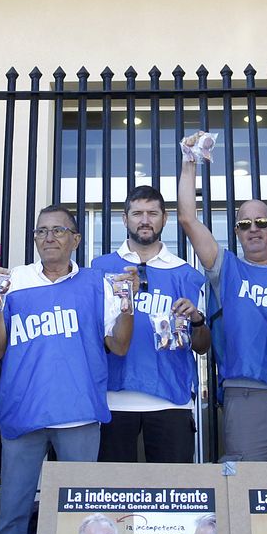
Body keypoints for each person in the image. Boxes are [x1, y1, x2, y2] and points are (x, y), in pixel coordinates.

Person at [0, 205, 134, 534]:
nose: (49, 238)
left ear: (76, 239)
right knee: (11, 520)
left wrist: (128, 302)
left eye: (59, 231)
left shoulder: (97, 284)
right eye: (42, 231)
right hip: (23, 416)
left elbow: (120, 344)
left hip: (78, 416)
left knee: (81, 523)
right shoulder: (14, 282)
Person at [176, 149, 267, 460]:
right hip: (245, 394)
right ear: (236, 231)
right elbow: (187, 218)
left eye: (261, 222)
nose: (254, 229)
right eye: (245, 224)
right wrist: (189, 161)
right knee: (251, 490)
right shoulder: (228, 269)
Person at [90, 186, 210, 463]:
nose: (145, 220)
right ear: (125, 218)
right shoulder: (99, 268)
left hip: (171, 400)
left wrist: (197, 320)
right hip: (112, 399)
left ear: (164, 219)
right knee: (114, 497)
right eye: (138, 213)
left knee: (173, 495)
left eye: (152, 213)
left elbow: (203, 347)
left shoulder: (186, 273)